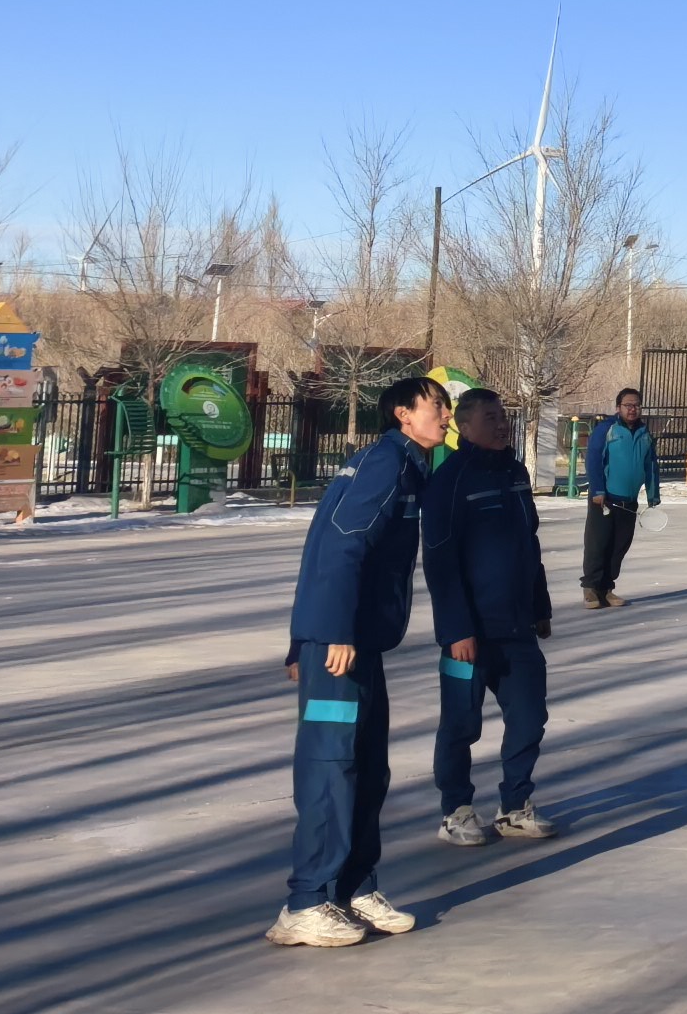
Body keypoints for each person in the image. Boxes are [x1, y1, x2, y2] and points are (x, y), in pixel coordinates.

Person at [268, 374, 450, 949]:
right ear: (403, 414)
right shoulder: (385, 465)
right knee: (332, 766)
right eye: (437, 406)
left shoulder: (403, 466)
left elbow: (325, 544)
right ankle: (306, 902)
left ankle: (352, 889)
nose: (445, 416)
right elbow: (340, 546)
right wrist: (328, 634)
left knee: (368, 767)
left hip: (357, 643)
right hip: (339, 647)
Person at [424, 385, 557, 845]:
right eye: (491, 418)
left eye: (504, 417)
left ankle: (515, 806)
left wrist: (540, 606)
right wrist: (456, 629)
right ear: (464, 427)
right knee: (461, 725)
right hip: (469, 634)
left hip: (516, 626)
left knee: (529, 718)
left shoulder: (515, 473)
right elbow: (440, 561)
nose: (502, 425)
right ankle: (455, 811)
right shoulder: (450, 480)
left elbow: (529, 544)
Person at [578, 383, 660, 608]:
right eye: (628, 405)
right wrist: (598, 490)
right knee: (598, 544)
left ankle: (606, 589)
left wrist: (653, 493)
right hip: (605, 499)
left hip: (629, 500)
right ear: (618, 407)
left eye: (637, 405)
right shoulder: (606, 429)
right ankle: (591, 589)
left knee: (619, 546)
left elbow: (651, 464)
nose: (632, 409)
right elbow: (594, 460)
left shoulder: (644, 433)